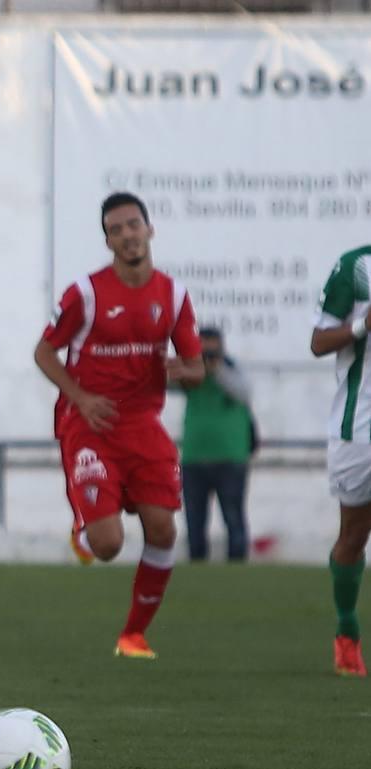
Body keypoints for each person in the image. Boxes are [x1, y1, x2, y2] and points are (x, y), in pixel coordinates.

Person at [34, 192, 204, 660]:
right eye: (117, 229)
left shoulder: (172, 295)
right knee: (108, 545)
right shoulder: (85, 294)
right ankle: (83, 533)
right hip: (89, 424)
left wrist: (181, 370)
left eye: (134, 224)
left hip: (142, 426)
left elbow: (197, 367)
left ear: (150, 230)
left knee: (164, 530)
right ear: (108, 241)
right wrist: (82, 398)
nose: (127, 234)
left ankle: (133, 636)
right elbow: (44, 353)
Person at [310, 244, 371, 677]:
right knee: (353, 534)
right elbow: (319, 341)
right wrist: (363, 325)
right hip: (360, 428)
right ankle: (347, 632)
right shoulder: (356, 267)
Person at [179, 327, 255, 562]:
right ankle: (197, 564)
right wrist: (190, 366)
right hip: (193, 457)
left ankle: (237, 566)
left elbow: (244, 393)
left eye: (212, 348)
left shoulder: (232, 368)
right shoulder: (190, 372)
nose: (208, 354)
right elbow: (163, 385)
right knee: (194, 520)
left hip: (230, 458)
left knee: (233, 517)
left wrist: (217, 369)